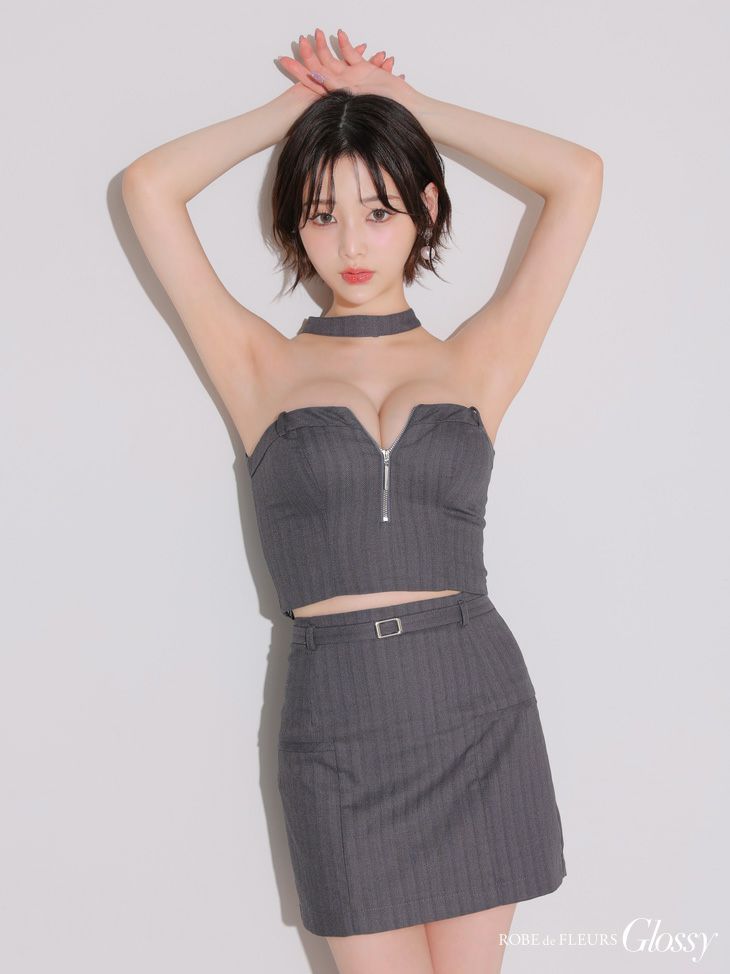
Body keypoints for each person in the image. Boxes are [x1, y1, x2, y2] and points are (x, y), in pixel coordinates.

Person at [122, 26, 603, 974]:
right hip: (337, 721)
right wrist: (296, 109)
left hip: (475, 707)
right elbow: (147, 188)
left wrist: (409, 109)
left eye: (378, 210)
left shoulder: (477, 359)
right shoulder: (258, 364)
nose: (349, 242)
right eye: (321, 213)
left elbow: (578, 177)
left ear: (426, 209)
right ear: (293, 224)